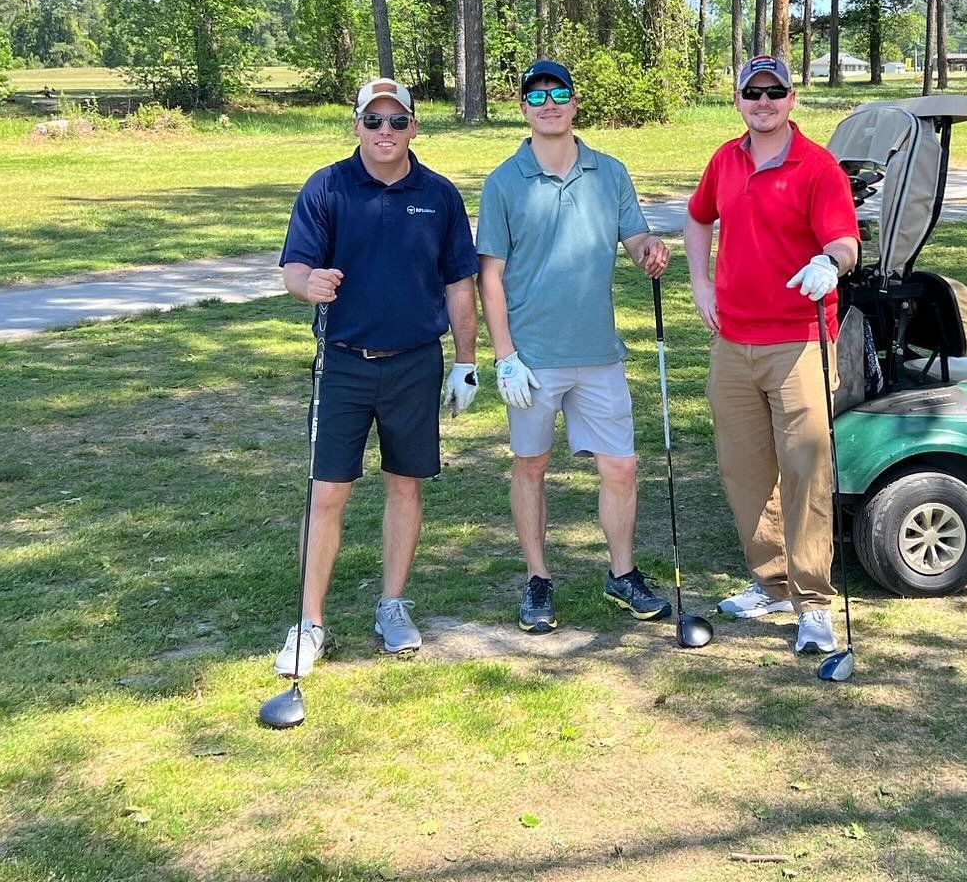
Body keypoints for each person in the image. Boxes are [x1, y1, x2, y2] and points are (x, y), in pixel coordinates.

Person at [272, 77, 479, 676]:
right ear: (356, 126)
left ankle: (392, 605)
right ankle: (309, 624)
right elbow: (296, 267)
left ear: (415, 126)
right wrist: (304, 284)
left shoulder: (438, 195)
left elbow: (459, 282)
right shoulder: (328, 187)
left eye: (396, 121)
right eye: (373, 121)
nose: (384, 132)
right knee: (327, 492)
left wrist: (466, 361)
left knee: (405, 485)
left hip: (416, 363)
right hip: (342, 363)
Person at [477, 58, 673, 634]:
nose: (549, 103)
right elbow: (490, 275)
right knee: (530, 466)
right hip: (531, 361)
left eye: (558, 92)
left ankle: (622, 574)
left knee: (621, 466)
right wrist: (504, 355)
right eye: (536, 96)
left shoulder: (609, 172)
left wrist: (648, 251)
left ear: (574, 102)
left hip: (598, 356)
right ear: (523, 109)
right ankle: (538, 580)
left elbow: (634, 236)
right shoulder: (503, 181)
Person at [683, 55, 860, 655]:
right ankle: (772, 582)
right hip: (733, 342)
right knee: (745, 469)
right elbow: (697, 216)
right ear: (738, 99)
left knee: (805, 469)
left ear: (792, 99)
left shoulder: (817, 167)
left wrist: (828, 264)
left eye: (774, 91)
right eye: (752, 92)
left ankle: (813, 603)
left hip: (799, 340)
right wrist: (701, 285)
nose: (763, 101)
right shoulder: (725, 160)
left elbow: (845, 241)